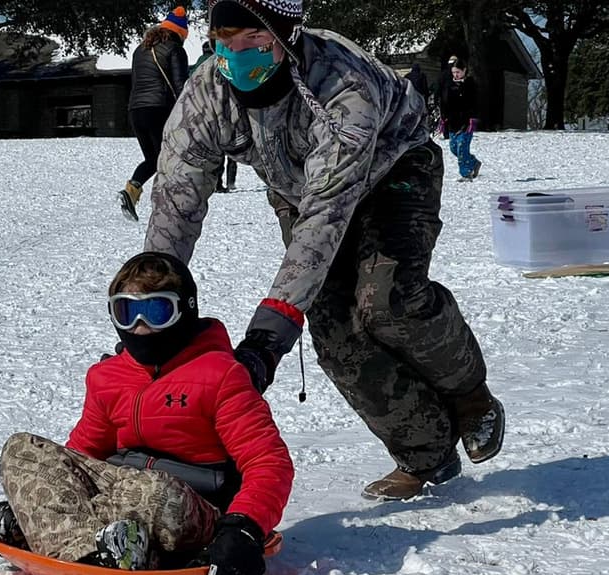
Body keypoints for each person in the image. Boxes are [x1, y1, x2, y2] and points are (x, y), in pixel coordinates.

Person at [143, 0, 504, 501]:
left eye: (254, 41)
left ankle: (470, 395)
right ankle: (425, 452)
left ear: (286, 37)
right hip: (297, 189)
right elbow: (176, 200)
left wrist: (269, 335)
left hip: (394, 170)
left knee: (387, 300)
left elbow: (325, 218)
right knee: (335, 332)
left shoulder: (342, 86)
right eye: (226, 42)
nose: (236, 56)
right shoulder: (206, 94)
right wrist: (154, 302)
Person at [0, 252, 294, 575]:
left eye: (156, 311)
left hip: (190, 505)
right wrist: (45, 485)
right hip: (121, 489)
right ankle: (98, 549)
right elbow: (82, 454)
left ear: (184, 311)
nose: (140, 326)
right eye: (127, 312)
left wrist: (243, 527)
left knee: (154, 492)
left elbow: (268, 462)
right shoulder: (108, 377)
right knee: (22, 448)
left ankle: (51, 529)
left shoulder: (220, 375)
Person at [118, 7, 191, 221]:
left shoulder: (139, 50)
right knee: (170, 158)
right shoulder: (174, 49)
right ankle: (170, 207)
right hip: (159, 109)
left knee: (154, 158)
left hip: (136, 110)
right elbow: (180, 86)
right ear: (179, 33)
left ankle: (132, 190)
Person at [192, 40, 239, 192]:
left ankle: (215, 183)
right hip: (223, 108)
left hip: (202, 110)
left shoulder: (198, 64)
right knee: (230, 147)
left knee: (213, 148)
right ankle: (229, 183)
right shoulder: (219, 61)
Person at [440, 57, 481, 180]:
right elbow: (444, 102)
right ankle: (474, 162)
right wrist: (443, 117)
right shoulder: (449, 85)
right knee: (454, 148)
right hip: (452, 122)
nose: (456, 75)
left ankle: (466, 174)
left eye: (458, 72)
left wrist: (473, 118)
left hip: (466, 122)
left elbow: (475, 103)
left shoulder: (470, 84)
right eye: (453, 72)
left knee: (462, 148)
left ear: (464, 70)